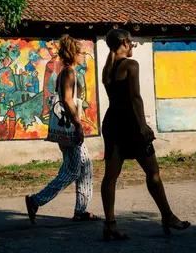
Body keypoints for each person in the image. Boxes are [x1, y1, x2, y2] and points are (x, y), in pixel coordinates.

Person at [100, 29, 191, 240]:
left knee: (111, 176)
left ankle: (110, 224)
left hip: (112, 124)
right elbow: (135, 98)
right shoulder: (131, 65)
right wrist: (143, 126)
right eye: (131, 42)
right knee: (153, 172)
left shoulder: (107, 69)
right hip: (131, 125)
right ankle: (167, 216)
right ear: (123, 43)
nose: (132, 46)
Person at [25, 35, 100, 224]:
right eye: (81, 52)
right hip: (69, 128)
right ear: (72, 54)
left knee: (84, 167)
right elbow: (67, 100)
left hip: (67, 128)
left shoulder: (69, 71)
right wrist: (78, 125)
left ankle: (80, 210)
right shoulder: (69, 72)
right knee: (72, 171)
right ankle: (36, 200)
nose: (84, 55)